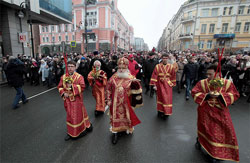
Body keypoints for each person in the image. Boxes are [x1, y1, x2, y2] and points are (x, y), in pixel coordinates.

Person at [191, 64, 240, 163]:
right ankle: (209, 150)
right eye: (207, 74)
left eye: (210, 74)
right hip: (205, 112)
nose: (208, 76)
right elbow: (194, 92)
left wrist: (221, 96)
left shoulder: (227, 83)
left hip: (221, 112)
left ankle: (219, 151)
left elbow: (234, 94)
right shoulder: (202, 83)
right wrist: (207, 96)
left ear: (217, 73)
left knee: (224, 131)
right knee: (208, 131)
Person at [106, 57, 143, 144]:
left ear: (127, 68)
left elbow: (137, 90)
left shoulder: (131, 77)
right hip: (115, 103)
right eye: (120, 68)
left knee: (126, 116)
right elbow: (108, 89)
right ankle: (115, 133)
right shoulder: (113, 77)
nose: (121, 70)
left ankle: (126, 128)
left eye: (123, 68)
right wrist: (108, 99)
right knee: (115, 117)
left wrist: (136, 84)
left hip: (127, 102)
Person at [58, 61, 93, 141]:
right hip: (67, 101)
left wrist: (72, 86)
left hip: (77, 100)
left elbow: (83, 87)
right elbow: (60, 87)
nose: (70, 68)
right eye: (69, 66)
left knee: (77, 117)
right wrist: (63, 93)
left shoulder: (79, 77)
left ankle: (79, 131)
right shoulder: (63, 77)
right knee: (70, 116)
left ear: (75, 67)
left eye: (72, 66)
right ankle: (71, 132)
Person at [150, 53, 176, 119]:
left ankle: (166, 113)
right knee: (160, 98)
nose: (165, 59)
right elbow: (154, 75)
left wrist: (172, 84)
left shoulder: (171, 66)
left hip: (167, 84)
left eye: (166, 58)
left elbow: (173, 76)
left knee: (167, 99)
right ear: (162, 58)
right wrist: (154, 85)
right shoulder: (157, 66)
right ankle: (160, 111)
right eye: (164, 58)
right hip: (159, 83)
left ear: (168, 59)